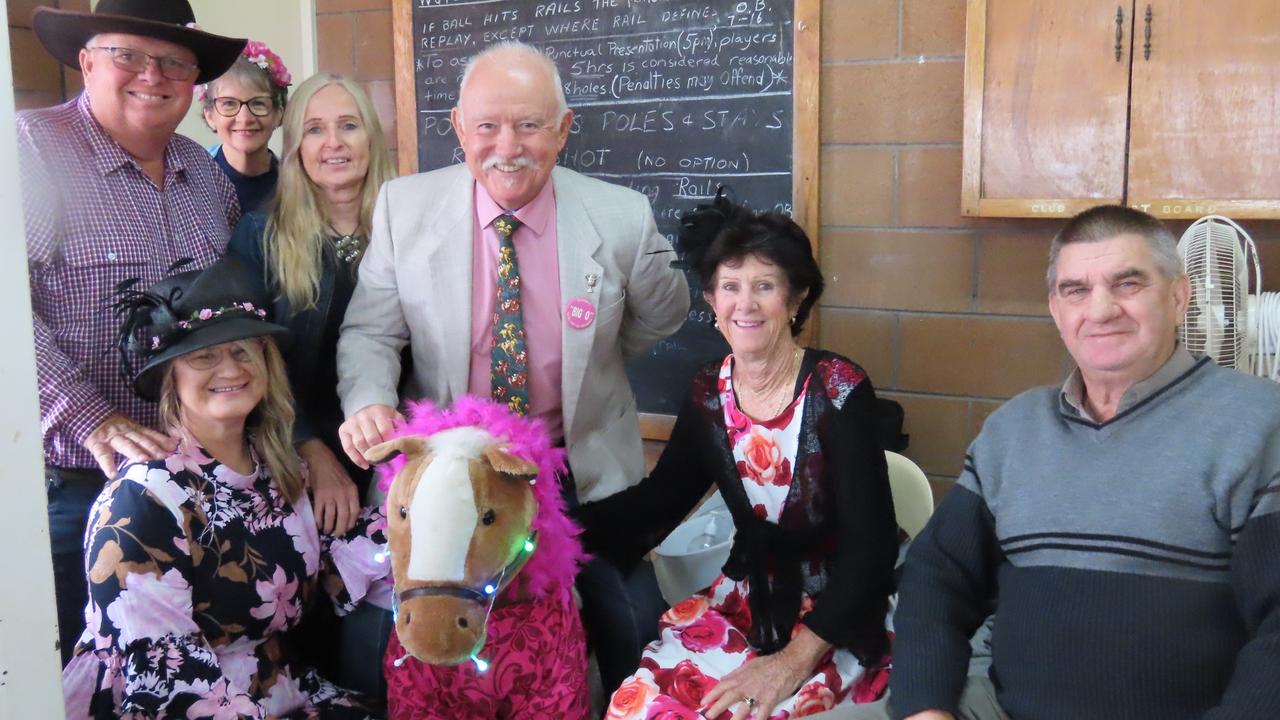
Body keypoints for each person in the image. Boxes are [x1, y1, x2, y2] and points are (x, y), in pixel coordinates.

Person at [334, 41, 690, 691]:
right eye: (487, 126)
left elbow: (663, 314)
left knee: (635, 624)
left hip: (574, 464)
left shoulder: (621, 218)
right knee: (372, 642)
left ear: (562, 130)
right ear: (459, 130)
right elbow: (370, 332)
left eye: (529, 124)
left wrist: (598, 354)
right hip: (448, 469)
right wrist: (367, 400)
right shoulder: (403, 210)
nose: (508, 145)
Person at [887, 205, 1280, 720]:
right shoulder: (1014, 429)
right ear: (1055, 308)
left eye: (1127, 284)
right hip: (997, 707)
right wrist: (925, 708)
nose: (1100, 310)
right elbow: (936, 575)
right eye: (1076, 290)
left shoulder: (1258, 425)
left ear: (1180, 296)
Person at [574, 192, 899, 719]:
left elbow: (873, 548)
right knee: (642, 709)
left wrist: (790, 663)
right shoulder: (708, 390)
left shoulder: (839, 389)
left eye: (764, 287)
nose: (744, 304)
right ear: (711, 300)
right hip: (746, 605)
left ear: (795, 300)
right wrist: (551, 529)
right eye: (730, 287)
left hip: (836, 617)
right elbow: (660, 502)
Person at [61, 256, 388, 719]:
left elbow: (362, 553)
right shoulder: (143, 499)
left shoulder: (281, 470)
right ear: (170, 376)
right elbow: (165, 680)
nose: (230, 369)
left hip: (279, 693)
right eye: (204, 356)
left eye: (242, 351)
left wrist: (443, 537)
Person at [19, 0, 245, 664]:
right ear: (87, 61)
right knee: (84, 678)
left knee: (186, 676)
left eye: (175, 60)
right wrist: (92, 417)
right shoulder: (31, 150)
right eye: (128, 55)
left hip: (197, 485)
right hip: (78, 490)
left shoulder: (205, 175)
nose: (154, 74)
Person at [228, 72, 397, 697]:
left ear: (371, 138)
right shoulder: (262, 234)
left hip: (393, 451)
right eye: (315, 129)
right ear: (295, 144)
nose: (333, 143)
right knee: (310, 628)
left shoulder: (411, 224)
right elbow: (251, 364)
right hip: (291, 457)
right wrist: (311, 451)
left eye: (348, 125)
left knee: (386, 630)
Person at [200, 39, 292, 213]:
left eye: (258, 103)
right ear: (210, 115)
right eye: (229, 104)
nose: (245, 118)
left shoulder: (295, 186)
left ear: (278, 114)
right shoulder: (192, 182)